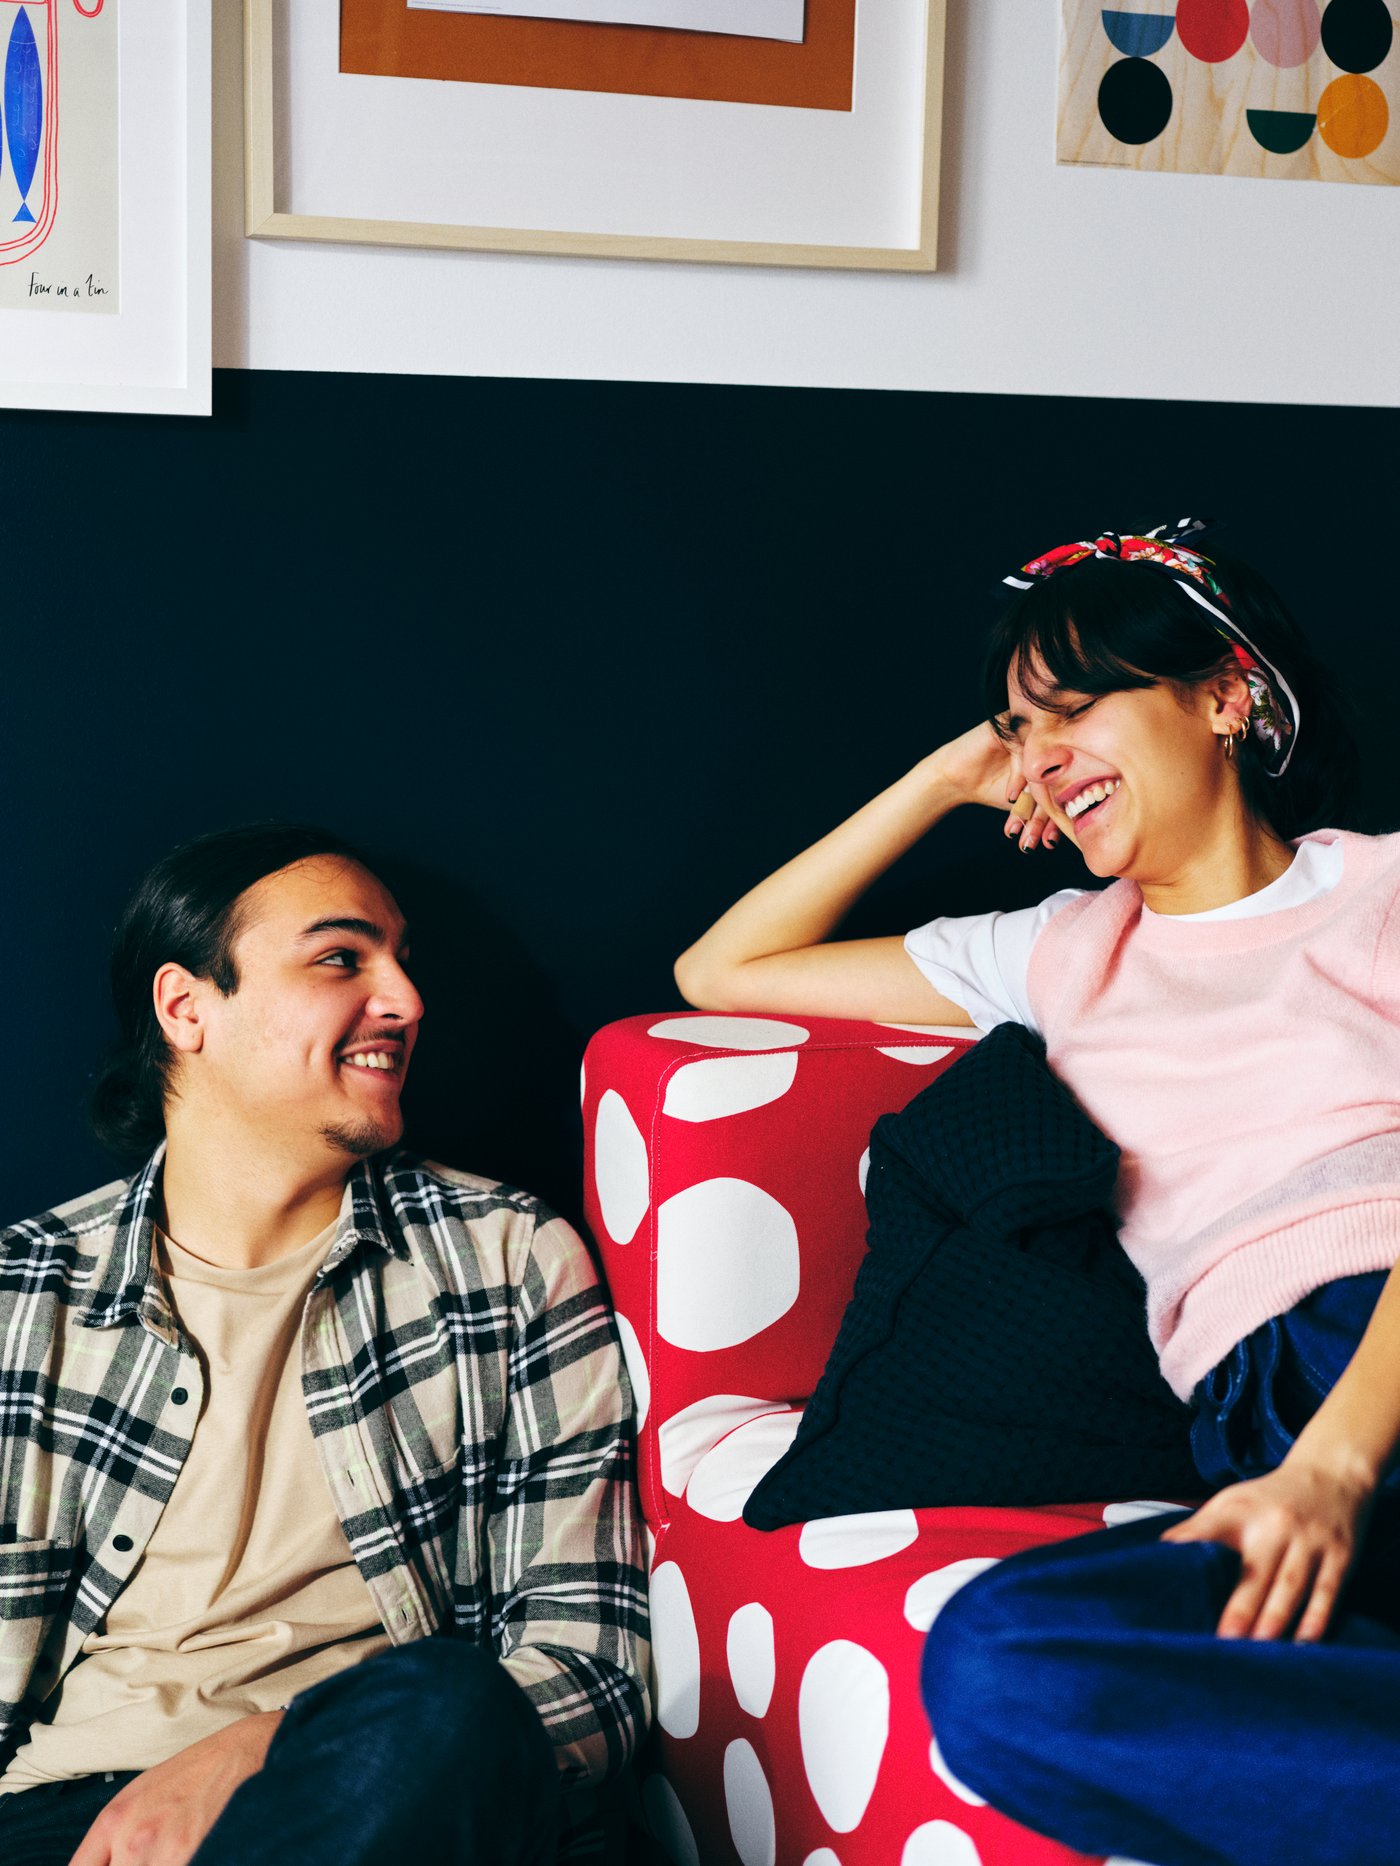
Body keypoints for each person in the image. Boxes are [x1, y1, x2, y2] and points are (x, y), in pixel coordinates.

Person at [674, 520, 1400, 1866]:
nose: (1043, 754)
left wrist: (1336, 1465)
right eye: (1020, 728)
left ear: (1224, 697)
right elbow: (720, 972)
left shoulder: (1381, 888)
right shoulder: (1056, 951)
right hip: (1246, 1429)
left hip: (1374, 1356)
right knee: (1005, 1664)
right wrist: (944, 776)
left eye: (1076, 707)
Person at [0, 824, 649, 1866]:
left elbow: (593, 1671)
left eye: (402, 960)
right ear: (186, 1009)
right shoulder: (24, 1295)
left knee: (453, 1700)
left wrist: (265, 1745)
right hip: (56, 1822)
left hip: (365, 1792)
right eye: (342, 958)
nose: (406, 1000)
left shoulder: (507, 1258)